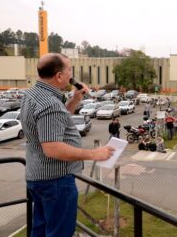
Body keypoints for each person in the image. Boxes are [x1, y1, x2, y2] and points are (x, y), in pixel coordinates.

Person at [20, 53, 114, 237]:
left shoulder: (32, 94)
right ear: (59, 76)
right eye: (69, 69)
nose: (72, 74)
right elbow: (52, 148)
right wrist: (94, 154)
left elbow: (55, 124)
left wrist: (74, 101)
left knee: (40, 228)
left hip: (38, 177)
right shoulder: (49, 104)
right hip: (55, 181)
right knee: (59, 232)